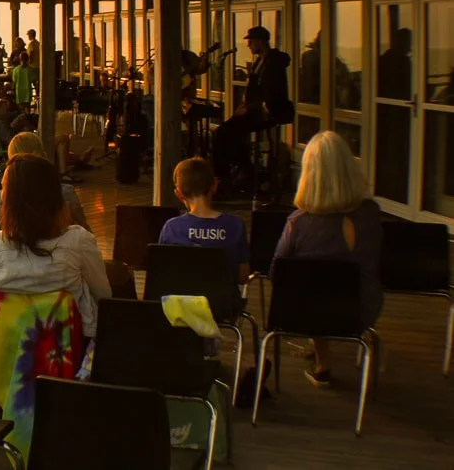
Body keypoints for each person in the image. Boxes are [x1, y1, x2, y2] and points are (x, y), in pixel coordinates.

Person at [273, 131, 382, 388]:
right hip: (362, 311)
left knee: (312, 290)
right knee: (331, 289)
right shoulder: (370, 214)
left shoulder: (297, 223)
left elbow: (276, 272)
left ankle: (323, 364)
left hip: (306, 313)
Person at [0, 153, 111, 337]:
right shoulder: (78, 241)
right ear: (54, 197)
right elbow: (104, 297)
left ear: (7, 201)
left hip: (4, 355)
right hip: (68, 354)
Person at [212, 26, 293, 193]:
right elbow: (254, 88)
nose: (248, 45)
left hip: (268, 112)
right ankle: (238, 171)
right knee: (223, 132)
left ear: (261, 42)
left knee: (225, 133)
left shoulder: (273, 63)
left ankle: (240, 172)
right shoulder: (260, 61)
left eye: (251, 42)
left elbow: (270, 93)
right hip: (254, 109)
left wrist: (248, 108)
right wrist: (244, 104)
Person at [158, 157, 249, 284]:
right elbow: (243, 277)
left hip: (183, 303)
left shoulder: (171, 228)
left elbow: (163, 273)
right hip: (224, 303)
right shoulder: (236, 225)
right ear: (215, 186)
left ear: (179, 193)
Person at [0, 133, 89, 234]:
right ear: (42, 155)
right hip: (59, 246)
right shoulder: (64, 193)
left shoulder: (1, 199)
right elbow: (83, 229)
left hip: (15, 247)